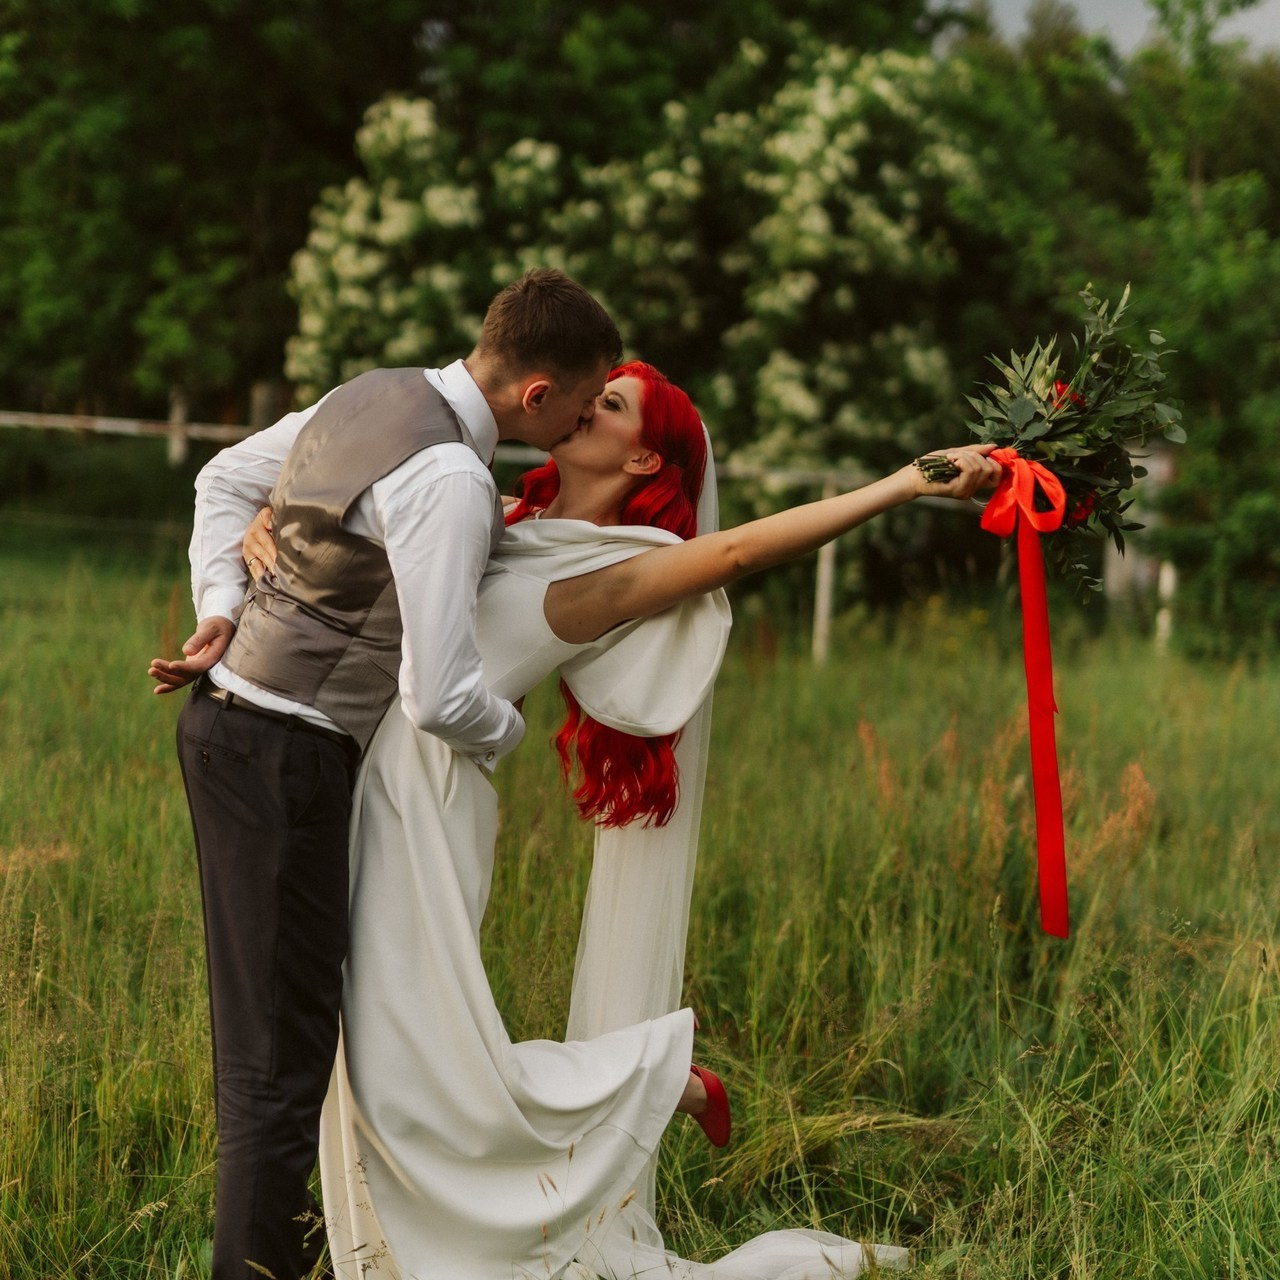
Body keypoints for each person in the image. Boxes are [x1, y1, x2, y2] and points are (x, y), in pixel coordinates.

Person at [239, 361, 1000, 1277]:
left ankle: (651, 1077)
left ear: (642, 457)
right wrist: (269, 520)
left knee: (400, 1059)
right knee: (365, 1051)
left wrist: (908, 481)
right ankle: (418, 1233)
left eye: (609, 404)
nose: (583, 405)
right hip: (357, 770)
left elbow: (738, 553)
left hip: (425, 808)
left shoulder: (613, 571)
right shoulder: (503, 517)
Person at [147, 268, 625, 1280]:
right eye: (586, 400)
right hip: (287, 757)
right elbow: (440, 695)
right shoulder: (448, 478)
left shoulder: (372, 394)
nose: (588, 418)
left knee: (278, 1047)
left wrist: (220, 606)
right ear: (537, 392)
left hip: (229, 726)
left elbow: (223, 478)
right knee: (278, 1066)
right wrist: (509, 730)